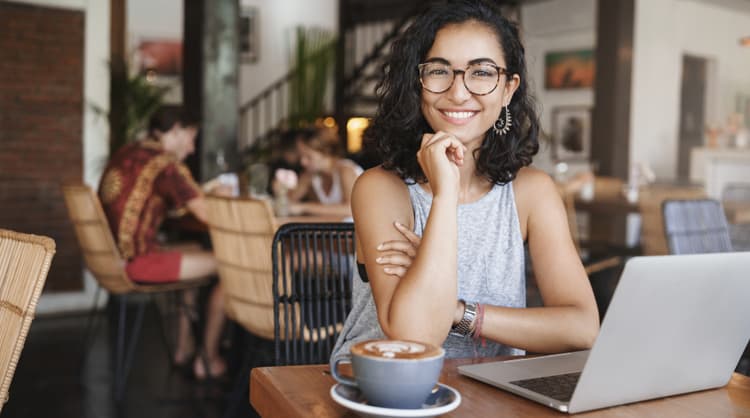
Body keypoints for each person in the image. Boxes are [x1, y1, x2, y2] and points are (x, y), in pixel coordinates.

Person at [330, 0, 599, 361]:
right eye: (439, 71)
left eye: (482, 73)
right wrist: (444, 195)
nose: (458, 92)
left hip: (492, 391)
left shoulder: (532, 192)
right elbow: (415, 336)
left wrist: (458, 311)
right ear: (418, 83)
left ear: (508, 89)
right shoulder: (380, 188)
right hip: (385, 390)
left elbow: (581, 328)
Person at [98, 110, 226, 379]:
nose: (191, 149)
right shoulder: (164, 163)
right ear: (176, 130)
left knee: (195, 250)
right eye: (191, 138)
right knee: (229, 263)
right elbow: (205, 213)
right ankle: (209, 358)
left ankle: (183, 348)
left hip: (113, 259)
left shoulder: (129, 153)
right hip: (138, 263)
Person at [285, 128, 363, 218]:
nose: (303, 162)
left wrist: (304, 207)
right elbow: (289, 203)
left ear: (326, 151)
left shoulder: (345, 170)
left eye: (308, 156)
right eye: (301, 156)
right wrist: (281, 189)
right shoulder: (311, 174)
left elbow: (350, 209)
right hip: (332, 230)